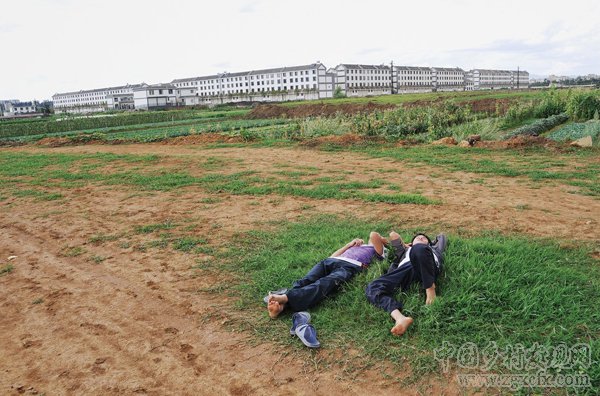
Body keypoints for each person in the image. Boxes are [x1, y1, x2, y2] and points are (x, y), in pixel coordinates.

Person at [267, 231, 388, 318]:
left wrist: (383, 241)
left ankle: (286, 298)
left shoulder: (380, 252)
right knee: (307, 279)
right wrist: (349, 245)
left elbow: (373, 234)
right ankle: (282, 307)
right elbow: (332, 256)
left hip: (350, 266)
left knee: (325, 282)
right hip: (331, 261)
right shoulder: (360, 246)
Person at [365, 231, 447, 336]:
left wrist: (426, 244)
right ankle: (400, 318)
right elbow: (393, 235)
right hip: (404, 270)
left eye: (424, 238)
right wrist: (404, 246)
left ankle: (430, 289)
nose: (421, 238)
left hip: (428, 268)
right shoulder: (404, 251)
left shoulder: (433, 249)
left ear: (430, 243)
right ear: (411, 243)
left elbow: (442, 236)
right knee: (372, 287)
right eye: (418, 238)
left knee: (419, 249)